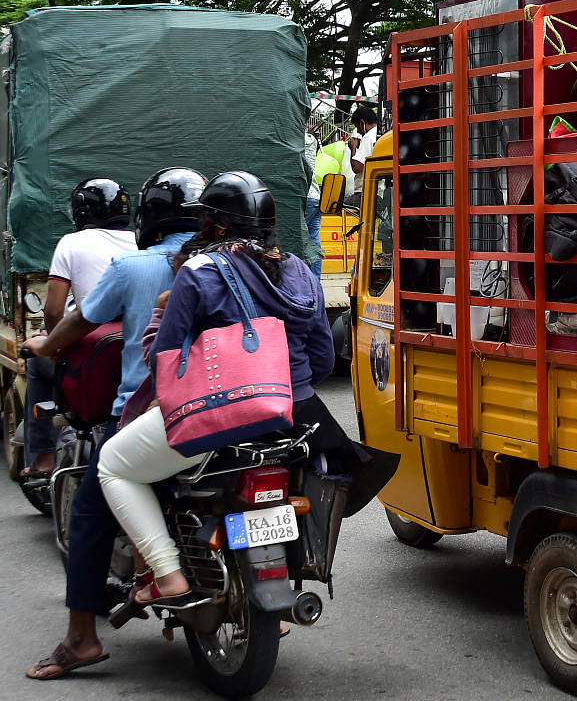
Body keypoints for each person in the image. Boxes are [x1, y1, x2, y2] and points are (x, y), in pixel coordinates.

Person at [96, 170, 348, 605]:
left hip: (222, 413)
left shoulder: (198, 272)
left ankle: (167, 573)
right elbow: (323, 358)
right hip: (296, 416)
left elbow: (166, 361)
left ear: (217, 225)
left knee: (113, 466)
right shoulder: (302, 272)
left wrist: (158, 316)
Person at [23, 167, 208, 681]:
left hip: (147, 413)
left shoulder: (132, 267)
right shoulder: (229, 263)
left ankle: (81, 638)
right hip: (234, 407)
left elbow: (75, 321)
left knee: (89, 515)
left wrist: (45, 345)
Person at [23, 178, 137, 477]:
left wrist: (55, 347)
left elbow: (53, 309)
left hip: (91, 354)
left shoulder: (71, 243)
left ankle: (44, 457)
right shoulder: (142, 242)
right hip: (137, 351)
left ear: (81, 212)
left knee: (36, 366)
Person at [303, 128, 323, 278]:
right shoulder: (312, 140)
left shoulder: (296, 140)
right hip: (316, 196)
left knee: (298, 239)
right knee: (314, 241)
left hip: (305, 196)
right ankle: (315, 281)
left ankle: (301, 281)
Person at [346, 103, 379, 197]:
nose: (358, 131)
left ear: (362, 123)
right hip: (378, 190)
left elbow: (357, 168)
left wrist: (353, 148)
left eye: (357, 127)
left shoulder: (368, 137)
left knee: (338, 209)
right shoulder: (380, 134)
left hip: (364, 192)